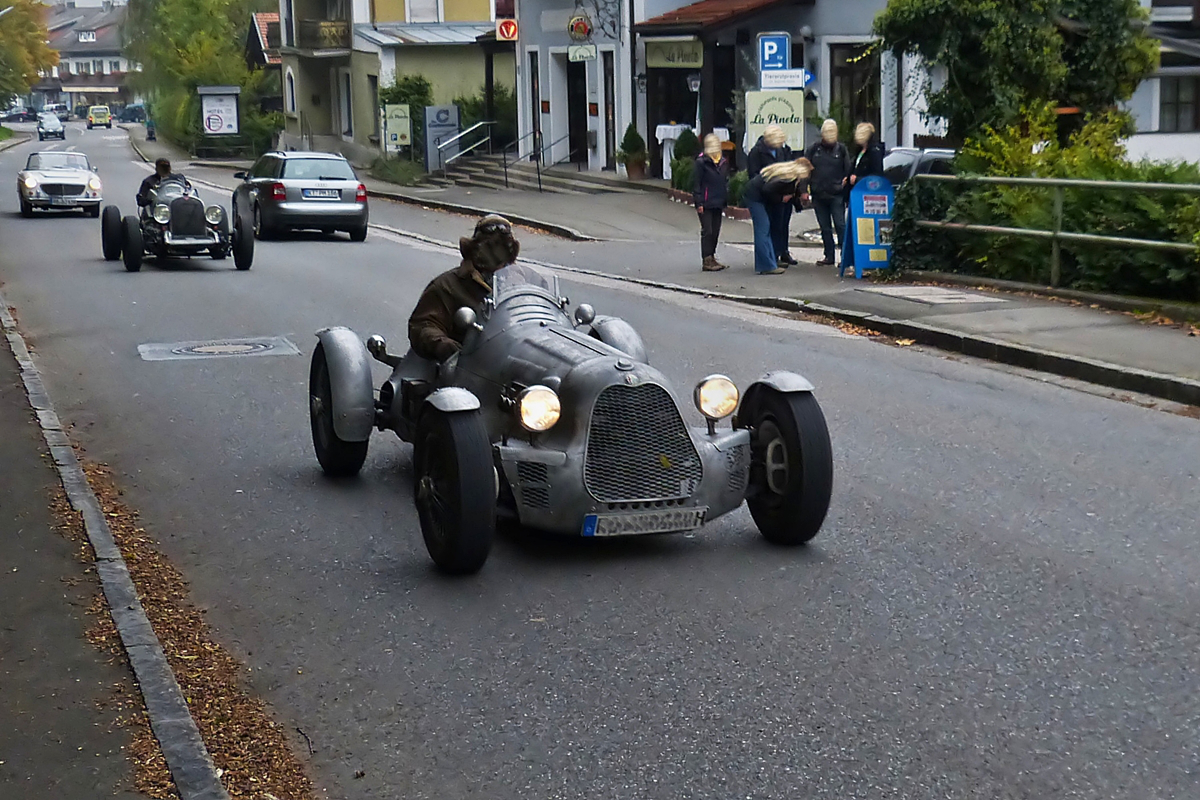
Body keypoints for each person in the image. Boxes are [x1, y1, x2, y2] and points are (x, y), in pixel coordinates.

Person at [408, 215, 520, 362]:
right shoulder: (447, 285)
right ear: (474, 249)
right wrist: (444, 346)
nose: (494, 254)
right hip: (465, 370)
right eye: (488, 246)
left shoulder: (522, 284)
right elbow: (423, 325)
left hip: (512, 364)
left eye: (502, 247)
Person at [742, 159, 811, 276]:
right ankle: (766, 265)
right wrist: (781, 199)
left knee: (765, 229)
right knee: (763, 229)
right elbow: (767, 189)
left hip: (757, 195)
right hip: (755, 197)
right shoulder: (788, 178)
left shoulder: (787, 174)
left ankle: (770, 262)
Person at [747, 125, 797, 268]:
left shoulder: (782, 151)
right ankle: (770, 258)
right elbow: (753, 174)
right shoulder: (756, 152)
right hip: (765, 194)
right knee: (766, 227)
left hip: (779, 194)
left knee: (779, 225)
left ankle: (778, 253)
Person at [803, 119, 851, 267]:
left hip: (836, 194)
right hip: (819, 194)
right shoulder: (813, 150)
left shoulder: (841, 150)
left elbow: (848, 171)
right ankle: (828, 255)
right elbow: (805, 171)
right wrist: (804, 191)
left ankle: (845, 256)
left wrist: (846, 189)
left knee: (840, 225)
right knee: (825, 227)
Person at [693, 134, 730, 272]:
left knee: (715, 230)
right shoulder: (702, 162)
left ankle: (712, 256)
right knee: (707, 230)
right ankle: (706, 259)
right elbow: (697, 183)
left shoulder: (723, 162)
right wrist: (699, 202)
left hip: (718, 201)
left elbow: (725, 181)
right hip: (706, 201)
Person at [849, 122, 885, 188]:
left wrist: (857, 179)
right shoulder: (859, 151)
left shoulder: (874, 152)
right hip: (857, 190)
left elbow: (877, 176)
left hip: (866, 192)